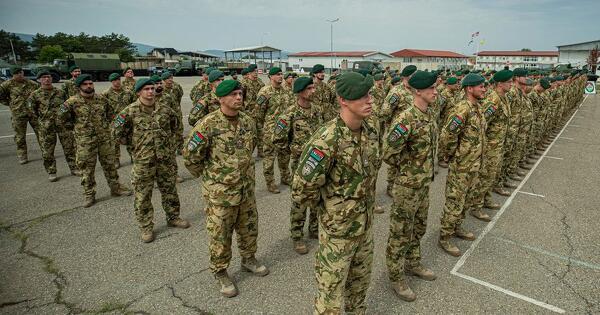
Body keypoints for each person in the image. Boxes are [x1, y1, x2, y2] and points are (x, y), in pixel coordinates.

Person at [292, 72, 379, 314]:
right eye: (361, 96)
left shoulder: (371, 132)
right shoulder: (326, 140)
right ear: (343, 100)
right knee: (330, 296)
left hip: (365, 228)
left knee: (359, 289)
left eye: (369, 94)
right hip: (337, 234)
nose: (369, 100)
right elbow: (302, 189)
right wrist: (331, 210)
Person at [184, 80, 269, 298]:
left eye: (240, 94)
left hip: (246, 189)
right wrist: (212, 180)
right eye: (233, 94)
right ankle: (220, 271)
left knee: (249, 227)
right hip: (220, 194)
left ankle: (248, 259)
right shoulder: (207, 124)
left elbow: (252, 147)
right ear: (220, 99)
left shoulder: (248, 122)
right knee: (220, 234)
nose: (238, 97)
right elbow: (191, 157)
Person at [113, 78, 190, 243]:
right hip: (143, 161)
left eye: (152, 88)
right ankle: (146, 227)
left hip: (165, 159)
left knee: (169, 190)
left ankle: (173, 217)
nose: (150, 92)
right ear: (139, 92)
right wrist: (135, 145)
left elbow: (175, 126)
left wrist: (170, 144)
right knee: (143, 195)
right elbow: (116, 132)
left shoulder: (165, 110)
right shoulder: (129, 112)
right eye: (146, 89)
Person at [383, 71, 438, 301]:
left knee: (419, 227)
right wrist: (407, 171)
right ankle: (396, 276)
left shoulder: (429, 114)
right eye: (431, 89)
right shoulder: (405, 119)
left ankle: (413, 263)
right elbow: (388, 152)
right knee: (400, 233)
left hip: (423, 184)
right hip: (407, 187)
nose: (436, 92)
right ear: (418, 91)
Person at [58, 74, 131, 207]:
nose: (89, 86)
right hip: (85, 142)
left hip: (104, 139)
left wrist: (111, 130)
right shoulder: (71, 102)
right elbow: (61, 119)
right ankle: (89, 194)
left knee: (110, 166)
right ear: (79, 86)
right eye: (85, 84)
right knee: (87, 169)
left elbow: (111, 116)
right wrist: (78, 130)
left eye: (90, 83)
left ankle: (116, 188)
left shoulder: (101, 99)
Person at [438, 73, 486, 257]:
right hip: (462, 166)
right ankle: (445, 237)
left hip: (474, 164)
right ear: (469, 88)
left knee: (466, 200)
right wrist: (452, 156)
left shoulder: (477, 107)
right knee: (454, 202)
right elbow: (447, 136)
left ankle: (457, 227)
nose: (484, 89)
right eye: (480, 86)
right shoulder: (461, 110)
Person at [272, 77, 320, 254]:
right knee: (300, 201)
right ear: (299, 92)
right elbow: (277, 139)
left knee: (316, 198)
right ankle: (297, 236)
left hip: (317, 163)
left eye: (313, 88)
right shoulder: (289, 114)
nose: (313, 91)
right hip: (299, 164)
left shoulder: (317, 111)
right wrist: (292, 152)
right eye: (309, 89)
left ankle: (314, 229)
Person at [28, 70, 78, 180]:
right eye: (44, 77)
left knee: (69, 147)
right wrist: (42, 122)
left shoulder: (60, 92)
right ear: (39, 80)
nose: (47, 79)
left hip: (63, 125)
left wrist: (68, 120)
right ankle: (51, 171)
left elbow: (67, 107)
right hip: (46, 127)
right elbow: (31, 111)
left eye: (49, 77)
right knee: (47, 151)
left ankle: (74, 168)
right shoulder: (34, 95)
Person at [256, 67, 292, 193]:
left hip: (284, 131)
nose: (280, 76)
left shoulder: (286, 91)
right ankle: (270, 182)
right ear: (270, 77)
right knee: (269, 158)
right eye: (277, 74)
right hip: (270, 131)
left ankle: (285, 177)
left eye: (281, 74)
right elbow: (259, 113)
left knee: (284, 156)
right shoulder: (264, 92)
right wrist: (265, 128)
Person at [0, 67, 40, 164]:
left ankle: (46, 152)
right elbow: (1, 96)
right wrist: (10, 103)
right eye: (16, 73)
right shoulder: (7, 84)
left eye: (20, 73)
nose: (19, 75)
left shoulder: (32, 83)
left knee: (41, 133)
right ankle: (22, 155)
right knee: (20, 137)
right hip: (18, 114)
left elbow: (39, 95)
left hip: (32, 113)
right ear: (12, 74)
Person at [102, 72, 135, 168]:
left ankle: (133, 156)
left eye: (118, 80)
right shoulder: (106, 94)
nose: (117, 82)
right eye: (114, 80)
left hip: (128, 120)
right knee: (114, 141)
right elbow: (103, 108)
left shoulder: (128, 92)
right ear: (111, 82)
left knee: (131, 139)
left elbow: (134, 104)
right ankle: (116, 159)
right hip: (115, 121)